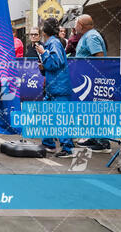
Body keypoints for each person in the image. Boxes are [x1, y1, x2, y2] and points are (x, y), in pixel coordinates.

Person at [35, 17, 75, 158]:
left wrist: (43, 53)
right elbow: (51, 66)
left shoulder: (54, 43)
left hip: (59, 88)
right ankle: (48, 143)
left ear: (44, 31)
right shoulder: (52, 42)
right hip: (54, 87)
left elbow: (56, 63)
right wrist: (43, 66)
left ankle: (68, 148)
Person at [73, 14, 110, 152]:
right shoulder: (87, 36)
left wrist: (92, 76)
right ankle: (94, 138)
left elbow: (99, 58)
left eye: (76, 23)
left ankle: (102, 143)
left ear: (81, 25)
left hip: (92, 80)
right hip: (87, 79)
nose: (74, 26)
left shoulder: (91, 37)